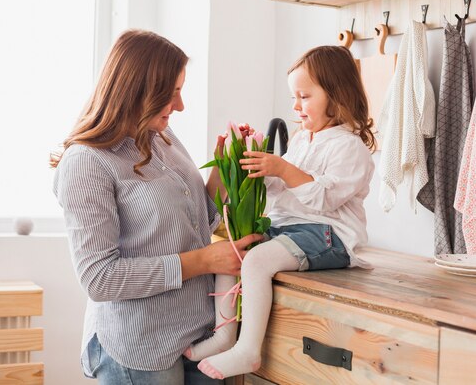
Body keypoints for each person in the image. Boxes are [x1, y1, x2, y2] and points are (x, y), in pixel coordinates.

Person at [51, 29, 262, 384]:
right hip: (141, 347)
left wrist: (224, 168)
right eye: (173, 92)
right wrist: (206, 261)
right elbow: (99, 279)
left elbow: (195, 224)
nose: (180, 105)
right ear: (138, 89)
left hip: (201, 335)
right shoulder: (87, 163)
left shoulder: (163, 137)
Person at [186, 45, 376, 379]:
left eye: (304, 96)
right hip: (294, 230)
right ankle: (225, 333)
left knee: (258, 261)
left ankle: (248, 350)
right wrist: (259, 166)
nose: (296, 106)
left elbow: (324, 198)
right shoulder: (305, 140)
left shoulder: (350, 147)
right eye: (294, 98)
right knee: (234, 249)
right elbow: (283, 191)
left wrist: (283, 169)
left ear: (337, 95)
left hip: (330, 235)